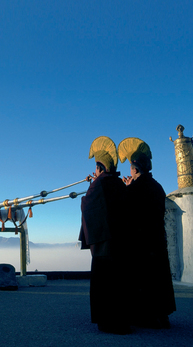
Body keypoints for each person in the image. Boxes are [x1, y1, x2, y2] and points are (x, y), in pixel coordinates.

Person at [118, 137, 176, 329]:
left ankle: (147, 316)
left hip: (141, 240)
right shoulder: (157, 187)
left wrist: (127, 188)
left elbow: (126, 211)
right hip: (157, 238)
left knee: (143, 277)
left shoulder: (135, 189)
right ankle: (162, 315)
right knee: (159, 276)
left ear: (135, 169)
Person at [79, 136, 130, 334]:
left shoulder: (99, 184)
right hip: (121, 242)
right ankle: (123, 321)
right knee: (119, 282)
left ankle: (108, 323)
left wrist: (91, 186)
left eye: (97, 168)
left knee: (105, 283)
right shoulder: (119, 184)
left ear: (100, 168)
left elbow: (88, 205)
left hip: (104, 245)